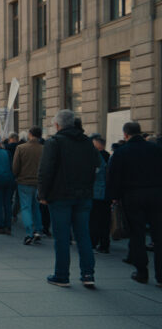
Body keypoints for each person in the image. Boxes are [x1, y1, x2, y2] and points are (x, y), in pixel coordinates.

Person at [38, 110, 101, 289]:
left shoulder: (54, 142)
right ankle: (88, 274)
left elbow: (46, 170)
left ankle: (62, 275)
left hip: (60, 195)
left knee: (62, 237)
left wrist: (43, 194)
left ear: (57, 125)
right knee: (83, 235)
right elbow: (96, 166)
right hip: (84, 195)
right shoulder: (87, 142)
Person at [106, 122, 162, 286]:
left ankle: (142, 272)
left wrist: (114, 197)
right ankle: (161, 275)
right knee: (159, 235)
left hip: (132, 196)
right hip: (157, 194)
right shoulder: (156, 149)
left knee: (137, 234)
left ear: (125, 134)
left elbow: (113, 177)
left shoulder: (121, 152)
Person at [12, 126, 44, 245]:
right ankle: (38, 230)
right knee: (36, 207)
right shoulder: (44, 149)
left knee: (26, 207)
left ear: (30, 134)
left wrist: (16, 176)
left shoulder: (21, 148)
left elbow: (15, 167)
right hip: (38, 182)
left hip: (24, 181)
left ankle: (29, 233)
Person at [89, 139, 110, 254]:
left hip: (96, 192)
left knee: (94, 219)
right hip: (107, 193)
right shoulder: (109, 156)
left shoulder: (96, 157)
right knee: (105, 220)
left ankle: (93, 242)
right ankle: (104, 244)